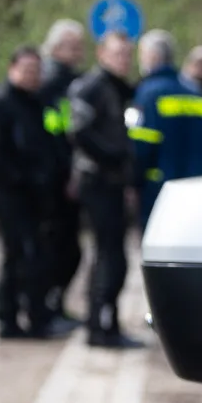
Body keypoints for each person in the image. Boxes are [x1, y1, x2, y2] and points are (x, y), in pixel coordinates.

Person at [0, 46, 72, 339]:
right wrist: (24, 178)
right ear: (13, 69)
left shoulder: (40, 102)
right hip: (8, 194)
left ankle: (37, 316)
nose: (33, 76)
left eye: (37, 71)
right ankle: (9, 320)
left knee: (38, 256)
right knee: (19, 256)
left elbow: (53, 141)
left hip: (38, 194)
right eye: (27, 70)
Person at [68, 31, 146, 349]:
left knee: (115, 257)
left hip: (114, 182)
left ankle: (107, 323)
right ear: (101, 54)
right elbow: (78, 132)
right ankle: (99, 326)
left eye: (127, 54)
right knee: (107, 256)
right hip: (97, 182)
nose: (123, 60)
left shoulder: (119, 88)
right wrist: (115, 157)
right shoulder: (90, 87)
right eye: (117, 54)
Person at [131, 30, 202, 220]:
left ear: (152, 56)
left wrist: (133, 183)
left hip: (160, 190)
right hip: (200, 187)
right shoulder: (196, 94)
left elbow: (141, 145)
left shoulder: (147, 94)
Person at [37, 19, 88, 325]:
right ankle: (47, 308)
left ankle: (54, 305)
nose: (79, 52)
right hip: (54, 178)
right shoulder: (50, 82)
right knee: (59, 248)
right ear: (56, 47)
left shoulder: (73, 81)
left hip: (65, 173)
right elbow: (56, 132)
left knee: (69, 249)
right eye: (73, 46)